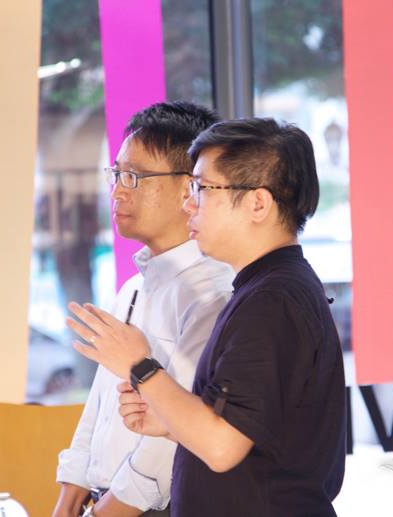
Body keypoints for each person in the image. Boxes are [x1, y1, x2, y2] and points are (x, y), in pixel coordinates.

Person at [68, 118, 347, 516]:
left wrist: (140, 366)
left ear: (258, 203)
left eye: (202, 188)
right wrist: (168, 422)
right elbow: (249, 438)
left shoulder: (272, 300)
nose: (189, 203)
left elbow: (221, 448)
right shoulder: (266, 288)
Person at [53, 102, 233, 517]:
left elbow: (171, 441)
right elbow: (99, 405)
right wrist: (70, 492)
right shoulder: (133, 287)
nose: (117, 191)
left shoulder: (212, 294)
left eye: (133, 177)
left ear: (190, 187)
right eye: (116, 175)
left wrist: (107, 512)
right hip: (103, 501)